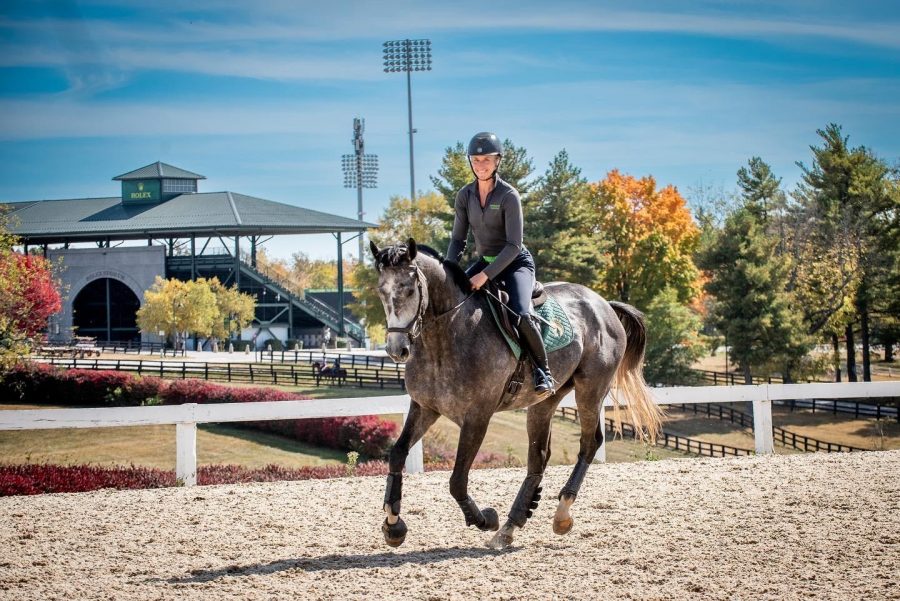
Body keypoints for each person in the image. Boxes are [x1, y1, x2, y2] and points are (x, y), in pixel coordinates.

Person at [446, 131, 556, 394]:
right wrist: (448, 270)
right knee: (452, 303)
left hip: (516, 262)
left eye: (486, 160)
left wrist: (484, 276)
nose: (480, 165)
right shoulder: (465, 196)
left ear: (497, 162)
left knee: (521, 312)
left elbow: (513, 245)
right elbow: (458, 240)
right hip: (485, 260)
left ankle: (544, 371)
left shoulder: (509, 195)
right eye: (475, 160)